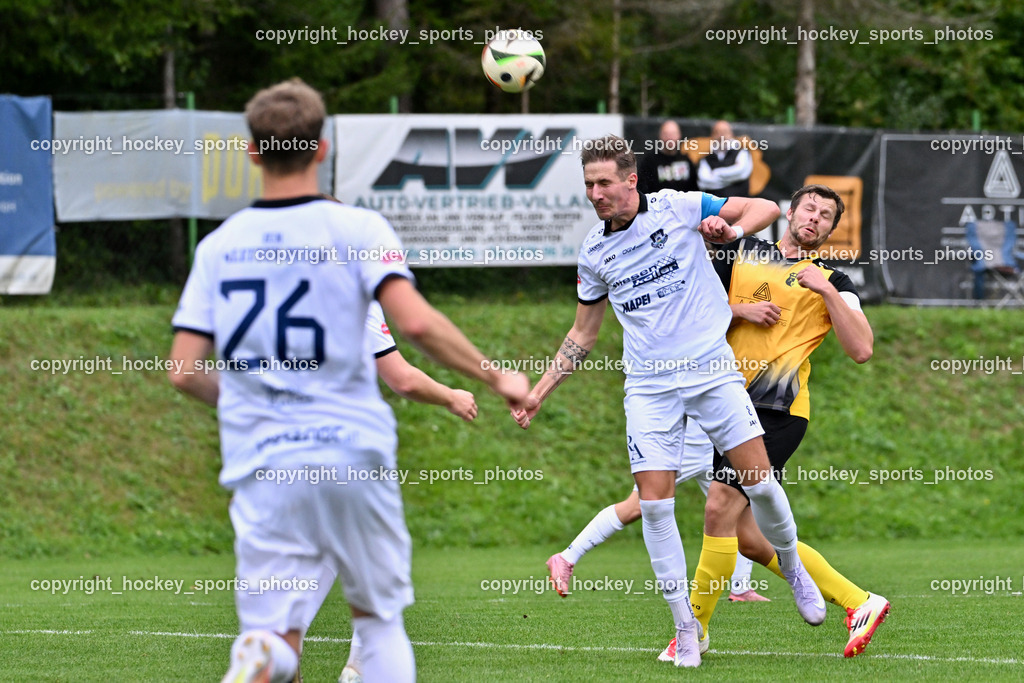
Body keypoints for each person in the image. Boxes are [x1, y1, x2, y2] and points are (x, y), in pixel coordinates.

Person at [168, 78, 528, 683]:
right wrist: (496, 375)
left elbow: (183, 371)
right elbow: (414, 322)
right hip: (349, 450)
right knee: (377, 620)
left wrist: (259, 401)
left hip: (264, 461)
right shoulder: (358, 230)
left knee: (274, 633)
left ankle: (264, 655)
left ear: (251, 152)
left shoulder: (217, 248)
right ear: (323, 148)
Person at [512, 134, 825, 669]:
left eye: (604, 182)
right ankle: (685, 628)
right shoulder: (593, 252)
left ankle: (794, 568)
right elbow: (583, 334)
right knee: (655, 507)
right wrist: (539, 392)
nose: (595, 193)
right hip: (649, 389)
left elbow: (767, 206)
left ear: (631, 180)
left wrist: (731, 228)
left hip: (710, 372)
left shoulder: (677, 207)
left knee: (761, 485)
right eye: (588, 184)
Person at [656, 184, 889, 663]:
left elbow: (862, 349)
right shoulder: (742, 252)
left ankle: (692, 630)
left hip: (777, 411)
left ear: (830, 229)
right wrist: (740, 310)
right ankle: (858, 601)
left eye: (827, 215)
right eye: (810, 207)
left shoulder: (835, 280)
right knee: (746, 535)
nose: (816, 218)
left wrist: (826, 291)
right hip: (727, 403)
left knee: (719, 505)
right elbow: (688, 313)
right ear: (790, 211)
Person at [544, 420, 771, 603]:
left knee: (739, 510)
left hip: (714, 446)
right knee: (636, 506)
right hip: (686, 447)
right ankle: (566, 557)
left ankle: (740, 586)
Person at [637, 119, 697, 194]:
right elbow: (643, 188)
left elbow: (694, 188)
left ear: (679, 135)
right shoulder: (650, 161)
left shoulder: (685, 160)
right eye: (666, 134)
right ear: (660, 136)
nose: (670, 138)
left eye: (673, 134)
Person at [697, 120, 753, 198]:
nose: (721, 136)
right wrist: (732, 179)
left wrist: (716, 173)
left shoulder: (742, 152)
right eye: (717, 132)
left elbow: (741, 173)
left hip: (739, 204)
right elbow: (704, 182)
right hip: (715, 207)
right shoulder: (705, 159)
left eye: (725, 132)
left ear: (731, 134)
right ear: (712, 135)